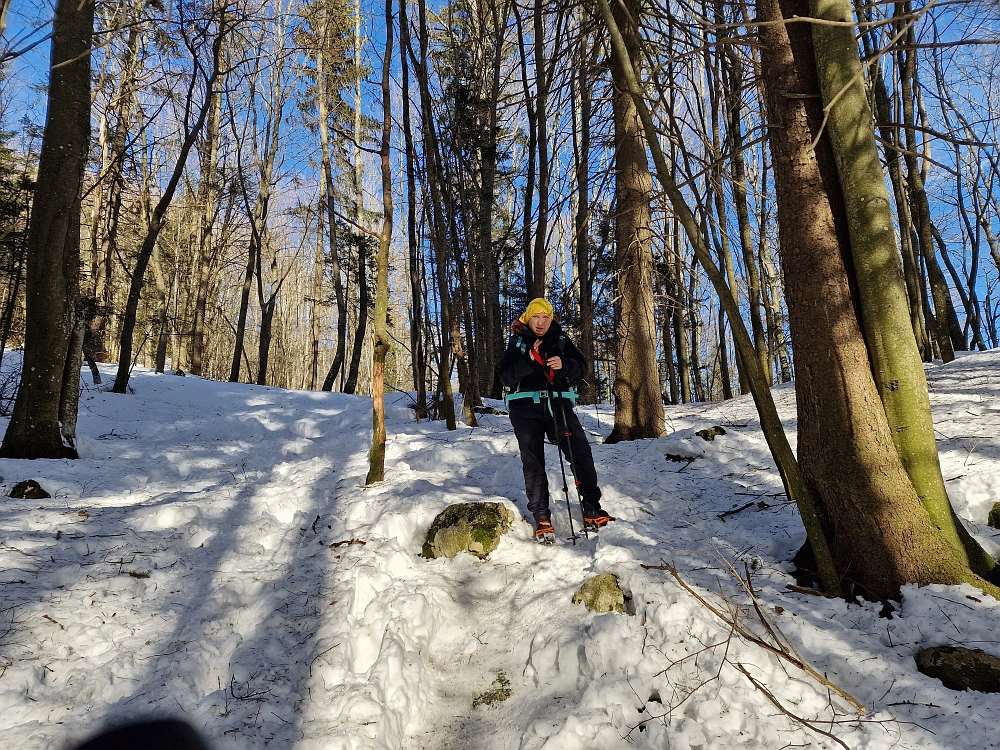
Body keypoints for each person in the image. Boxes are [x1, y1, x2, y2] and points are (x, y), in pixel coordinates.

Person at [499, 298, 614, 543]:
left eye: (545, 317)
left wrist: (565, 365)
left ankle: (592, 508)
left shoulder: (560, 340)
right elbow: (506, 377)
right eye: (536, 317)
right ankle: (542, 518)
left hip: (558, 405)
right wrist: (529, 360)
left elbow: (582, 368)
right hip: (524, 408)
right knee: (533, 462)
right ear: (527, 318)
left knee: (580, 452)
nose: (540, 322)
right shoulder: (518, 341)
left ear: (551, 319)